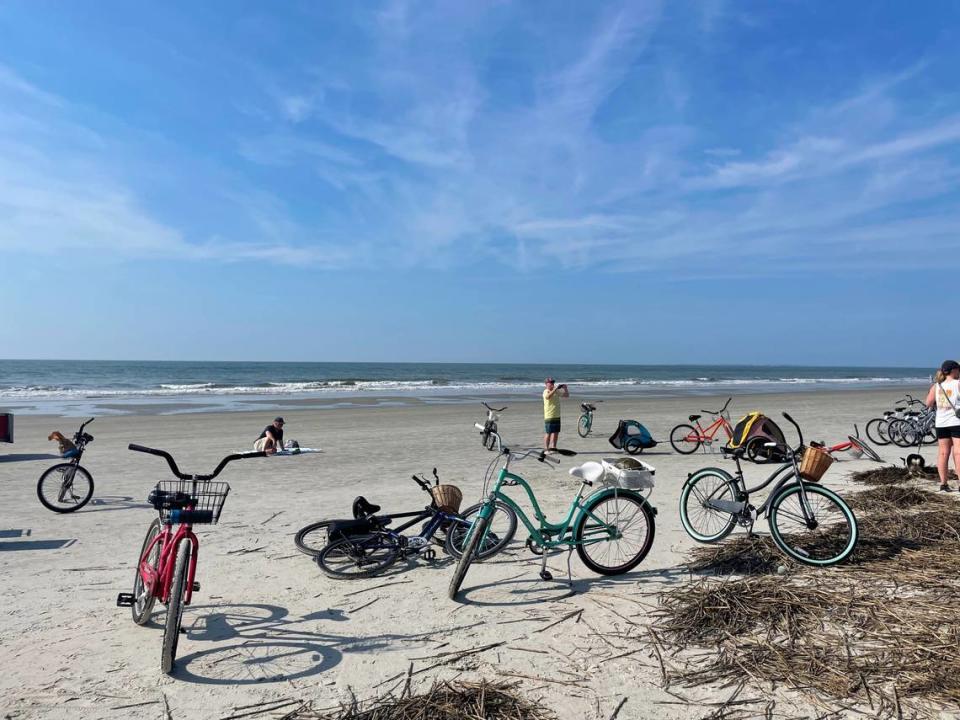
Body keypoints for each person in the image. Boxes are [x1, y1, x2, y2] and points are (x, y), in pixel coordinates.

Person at [925, 360, 960, 491]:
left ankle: (943, 484)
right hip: (957, 422)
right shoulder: (958, 384)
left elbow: (928, 403)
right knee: (958, 453)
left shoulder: (937, 386)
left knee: (943, 453)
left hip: (941, 423)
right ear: (954, 370)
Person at [542, 377, 569, 451]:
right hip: (549, 416)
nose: (552, 384)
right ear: (546, 384)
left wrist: (565, 388)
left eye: (553, 383)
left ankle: (553, 447)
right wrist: (555, 389)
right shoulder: (546, 391)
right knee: (549, 433)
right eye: (550, 383)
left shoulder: (556, 391)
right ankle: (546, 449)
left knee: (556, 432)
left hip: (557, 415)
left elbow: (566, 395)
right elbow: (548, 397)